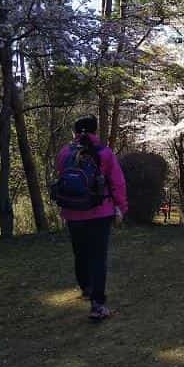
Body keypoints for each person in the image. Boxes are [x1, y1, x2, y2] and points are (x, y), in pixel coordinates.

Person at [55, 115, 127, 320]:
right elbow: (117, 183)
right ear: (95, 131)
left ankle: (86, 287)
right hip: (99, 212)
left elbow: (62, 178)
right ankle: (97, 305)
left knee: (80, 253)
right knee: (98, 258)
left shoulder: (64, 153)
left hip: (72, 213)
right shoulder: (104, 153)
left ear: (75, 133)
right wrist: (121, 208)